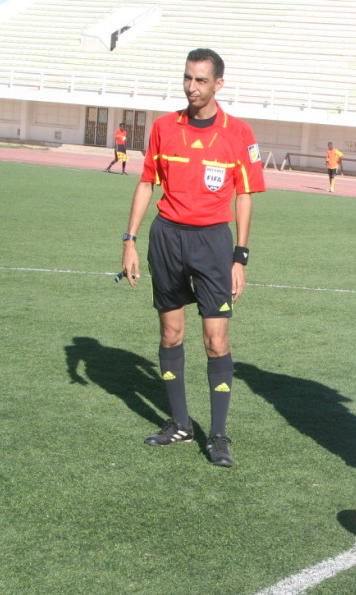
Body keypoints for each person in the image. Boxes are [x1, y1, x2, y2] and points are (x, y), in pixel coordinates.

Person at [120, 48, 266, 467]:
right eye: (187, 78)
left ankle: (218, 436)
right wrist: (129, 240)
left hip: (212, 245)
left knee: (216, 338)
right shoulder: (165, 127)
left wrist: (240, 256)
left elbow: (245, 195)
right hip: (166, 238)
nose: (192, 87)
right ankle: (180, 424)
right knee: (171, 334)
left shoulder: (238, 133)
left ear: (218, 84)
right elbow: (147, 183)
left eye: (201, 80)